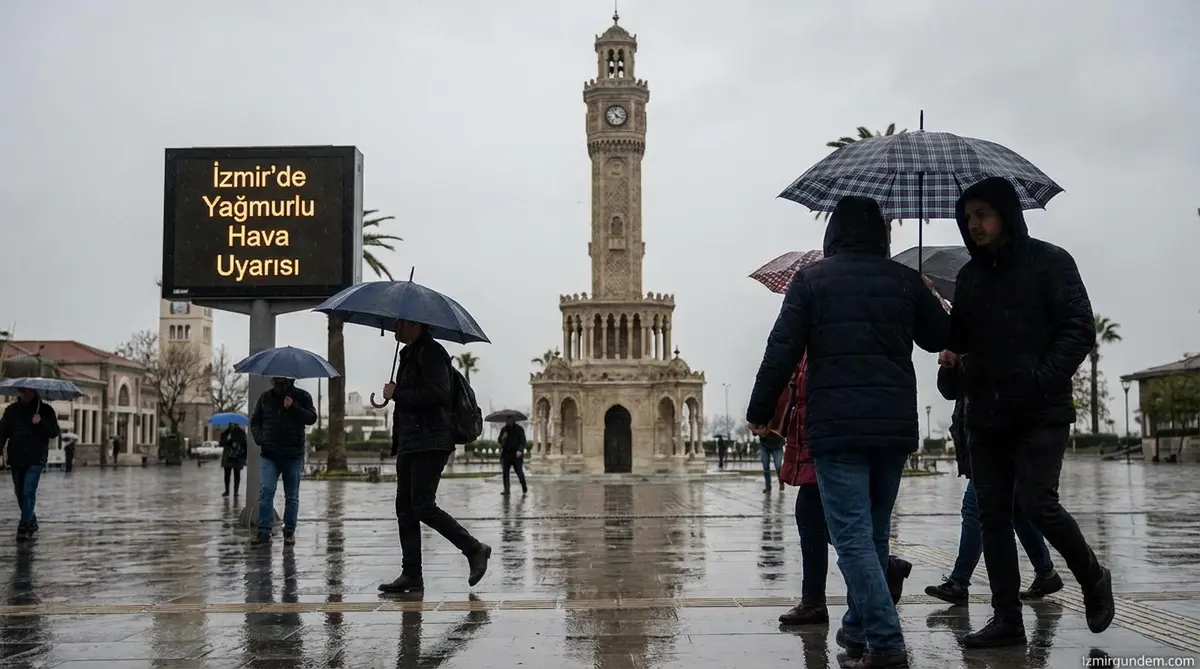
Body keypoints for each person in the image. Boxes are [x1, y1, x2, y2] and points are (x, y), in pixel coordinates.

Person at [746, 196, 949, 668]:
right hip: (894, 429)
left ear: (833, 233)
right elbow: (940, 336)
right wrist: (919, 289)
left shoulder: (812, 281)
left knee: (854, 538)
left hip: (837, 428)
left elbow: (782, 348)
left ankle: (885, 641)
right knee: (873, 535)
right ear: (881, 235)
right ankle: (857, 631)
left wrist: (759, 409)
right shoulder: (902, 280)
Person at [947, 177, 1113, 647]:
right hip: (985, 415)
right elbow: (959, 342)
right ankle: (1007, 620)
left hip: (1040, 411)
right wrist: (949, 355)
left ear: (1004, 213)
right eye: (968, 217)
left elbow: (1079, 329)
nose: (973, 224)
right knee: (993, 515)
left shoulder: (1051, 262)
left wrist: (1041, 378)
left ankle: (1092, 576)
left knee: (1037, 503)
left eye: (982, 214)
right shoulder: (969, 276)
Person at [774, 356, 913, 627]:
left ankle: (851, 612)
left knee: (829, 520)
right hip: (835, 429)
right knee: (820, 518)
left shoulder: (825, 331)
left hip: (831, 433)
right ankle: (875, 574)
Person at [924, 350, 1063, 606]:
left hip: (997, 438)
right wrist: (950, 366)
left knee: (975, 509)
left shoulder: (995, 331)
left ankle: (959, 582)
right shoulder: (965, 340)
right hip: (978, 437)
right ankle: (1046, 572)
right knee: (1018, 513)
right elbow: (950, 391)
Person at [378, 319, 491, 594]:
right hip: (410, 441)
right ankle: (411, 574)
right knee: (405, 508)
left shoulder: (432, 352)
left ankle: (474, 549)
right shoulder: (409, 354)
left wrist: (398, 393)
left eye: (400, 323)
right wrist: (393, 395)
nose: (396, 327)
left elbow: (438, 394)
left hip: (430, 441)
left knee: (422, 505)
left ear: (415, 325)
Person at [250, 377, 317, 547]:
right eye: (275, 381)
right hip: (269, 454)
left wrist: (293, 406)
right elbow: (255, 421)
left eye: (281, 382)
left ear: (289, 381)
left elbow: (311, 418)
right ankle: (264, 531)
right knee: (266, 491)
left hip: (292, 454)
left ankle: (289, 532)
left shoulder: (302, 397)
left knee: (291, 496)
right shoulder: (265, 398)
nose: (277, 384)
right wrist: (261, 439)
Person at [0, 387, 60, 541]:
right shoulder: (12, 411)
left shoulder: (45, 410)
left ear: (34, 392)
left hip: (36, 458)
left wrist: (41, 422)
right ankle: (31, 520)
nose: (23, 394)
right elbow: (2, 432)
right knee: (20, 494)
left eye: (26, 391)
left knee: (28, 491)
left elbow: (54, 431)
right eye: (21, 391)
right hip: (16, 458)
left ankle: (24, 526)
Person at [497, 416, 527, 496]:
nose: (508, 422)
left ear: (513, 420)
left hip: (516, 455)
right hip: (506, 454)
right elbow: (499, 440)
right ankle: (506, 490)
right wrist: (503, 437)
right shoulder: (504, 430)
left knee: (519, 472)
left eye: (510, 420)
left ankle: (524, 487)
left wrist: (520, 450)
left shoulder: (519, 429)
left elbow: (523, 441)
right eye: (507, 420)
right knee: (505, 473)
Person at [219, 423, 248, 498]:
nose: (232, 426)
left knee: (237, 475)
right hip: (228, 457)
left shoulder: (241, 433)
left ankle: (236, 491)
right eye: (230, 424)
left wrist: (244, 457)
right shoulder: (226, 433)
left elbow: (245, 445)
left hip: (237, 458)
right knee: (227, 475)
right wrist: (227, 440)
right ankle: (227, 491)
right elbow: (221, 443)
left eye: (233, 424)